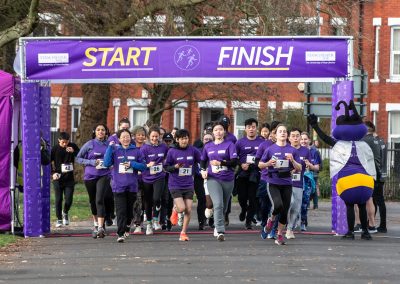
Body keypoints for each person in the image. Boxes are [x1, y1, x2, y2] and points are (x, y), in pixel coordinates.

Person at [309, 100, 375, 241]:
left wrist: (315, 126)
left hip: (347, 180)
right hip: (365, 180)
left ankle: (350, 232)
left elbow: (325, 138)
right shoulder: (364, 144)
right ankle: (366, 232)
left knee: (350, 205)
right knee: (362, 205)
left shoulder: (339, 143)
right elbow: (371, 162)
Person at [258, 124, 302, 245]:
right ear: (276, 135)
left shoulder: (292, 150)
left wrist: (292, 160)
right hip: (273, 182)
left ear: (287, 135)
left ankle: (279, 235)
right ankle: (270, 220)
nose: (282, 133)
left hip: (287, 182)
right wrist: (268, 163)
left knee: (285, 210)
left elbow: (299, 168)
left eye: (284, 132)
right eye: (280, 131)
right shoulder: (270, 149)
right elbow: (260, 165)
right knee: (278, 205)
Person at [103, 129, 146, 243]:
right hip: (118, 186)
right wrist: (109, 148)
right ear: (119, 139)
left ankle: (127, 225)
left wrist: (132, 164)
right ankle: (120, 233)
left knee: (128, 211)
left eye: (127, 136)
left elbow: (143, 166)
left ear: (130, 137)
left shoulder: (136, 151)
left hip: (132, 186)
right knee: (121, 210)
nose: (125, 139)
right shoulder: (115, 150)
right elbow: (107, 163)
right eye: (123, 137)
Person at [200, 122, 238, 241]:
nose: (218, 132)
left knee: (224, 207)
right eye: (216, 130)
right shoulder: (208, 146)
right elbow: (202, 161)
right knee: (218, 204)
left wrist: (221, 163)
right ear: (213, 133)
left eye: (221, 130)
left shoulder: (230, 145)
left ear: (224, 132)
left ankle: (218, 223)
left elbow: (234, 162)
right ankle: (220, 230)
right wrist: (202, 171)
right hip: (213, 178)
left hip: (228, 178)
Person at [76, 124, 112, 238]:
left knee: (99, 199)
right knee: (93, 201)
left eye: (103, 130)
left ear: (106, 132)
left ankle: (101, 227)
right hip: (90, 176)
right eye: (98, 130)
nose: (100, 132)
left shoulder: (109, 145)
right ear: (95, 132)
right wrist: (92, 162)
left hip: (104, 175)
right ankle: (96, 225)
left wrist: (110, 165)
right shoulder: (89, 144)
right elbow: (78, 158)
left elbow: (114, 158)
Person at [165, 129, 201, 241]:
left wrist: (194, 169)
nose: (184, 141)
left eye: (186, 138)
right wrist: (175, 167)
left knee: (188, 210)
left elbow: (200, 161)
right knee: (181, 208)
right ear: (177, 139)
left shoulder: (193, 150)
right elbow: (166, 167)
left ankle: (183, 233)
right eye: (182, 139)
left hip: (188, 184)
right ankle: (175, 209)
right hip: (175, 184)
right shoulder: (172, 151)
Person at [235, 118, 264, 229]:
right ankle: (243, 209)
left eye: (253, 127)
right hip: (243, 172)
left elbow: (265, 157)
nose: (251, 129)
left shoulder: (261, 142)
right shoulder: (240, 142)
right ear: (245, 129)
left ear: (256, 128)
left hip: (255, 173)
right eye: (249, 127)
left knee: (252, 198)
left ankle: (248, 221)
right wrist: (241, 164)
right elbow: (234, 157)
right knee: (242, 197)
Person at [140, 126, 169, 235]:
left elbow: (168, 157)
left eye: (156, 136)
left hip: (159, 176)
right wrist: (148, 165)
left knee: (156, 198)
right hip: (147, 177)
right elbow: (140, 162)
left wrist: (165, 162)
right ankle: (149, 224)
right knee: (148, 201)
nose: (154, 138)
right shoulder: (144, 148)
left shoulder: (163, 146)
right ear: (149, 136)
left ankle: (156, 219)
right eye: (152, 136)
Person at [361, 121, 387, 233]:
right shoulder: (381, 141)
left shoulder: (367, 140)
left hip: (376, 174)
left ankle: (375, 224)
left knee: (374, 200)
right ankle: (376, 224)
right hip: (382, 173)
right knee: (377, 200)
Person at [51, 132, 80, 227]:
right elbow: (49, 161)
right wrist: (53, 173)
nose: (65, 144)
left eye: (67, 142)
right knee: (58, 199)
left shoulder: (72, 146)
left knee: (69, 200)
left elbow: (80, 156)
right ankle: (59, 219)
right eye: (63, 142)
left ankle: (65, 212)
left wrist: (74, 152)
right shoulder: (55, 149)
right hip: (58, 177)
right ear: (59, 140)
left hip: (69, 178)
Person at [299, 132, 318, 232]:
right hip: (296, 179)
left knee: (304, 202)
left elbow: (318, 167)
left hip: (308, 179)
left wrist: (310, 165)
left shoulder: (314, 151)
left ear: (309, 140)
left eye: (305, 139)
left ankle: (303, 221)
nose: (303, 141)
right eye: (301, 139)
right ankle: (291, 222)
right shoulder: (294, 150)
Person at [193, 133, 214, 229]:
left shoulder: (215, 150)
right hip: (199, 178)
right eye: (206, 139)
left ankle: (212, 220)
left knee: (213, 200)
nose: (208, 141)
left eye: (210, 139)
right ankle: (201, 222)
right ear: (202, 140)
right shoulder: (198, 151)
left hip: (213, 178)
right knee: (201, 200)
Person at [131, 126, 147, 234]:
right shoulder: (131, 148)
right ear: (134, 136)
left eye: (142, 135)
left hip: (147, 178)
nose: (140, 137)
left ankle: (146, 220)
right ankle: (137, 224)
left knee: (146, 201)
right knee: (137, 201)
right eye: (138, 134)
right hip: (135, 179)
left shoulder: (148, 148)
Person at [309, 140, 322, 209]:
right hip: (308, 172)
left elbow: (319, 163)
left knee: (313, 188)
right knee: (311, 188)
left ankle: (315, 204)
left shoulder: (315, 151)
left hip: (314, 172)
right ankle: (312, 204)